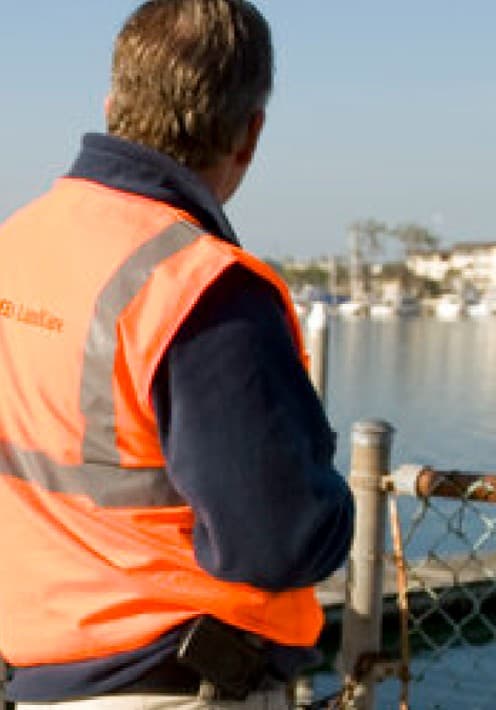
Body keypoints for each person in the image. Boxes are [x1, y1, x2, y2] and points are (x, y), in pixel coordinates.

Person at [0, 1, 354, 707]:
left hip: (42, 680)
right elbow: (280, 540)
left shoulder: (18, 245)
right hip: (173, 682)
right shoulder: (201, 287)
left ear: (112, 103)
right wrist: (328, 494)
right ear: (250, 135)